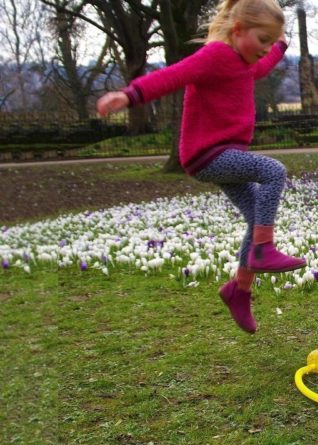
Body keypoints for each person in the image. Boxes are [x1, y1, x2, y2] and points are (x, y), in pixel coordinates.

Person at [97, 0, 306, 334]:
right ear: (238, 31)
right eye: (262, 39)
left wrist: (279, 46)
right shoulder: (216, 56)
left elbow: (262, 67)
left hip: (224, 154)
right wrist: (130, 95)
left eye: (270, 41)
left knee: (256, 215)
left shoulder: (243, 61)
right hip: (207, 153)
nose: (264, 48)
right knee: (273, 171)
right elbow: (172, 76)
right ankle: (263, 250)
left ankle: (239, 289)